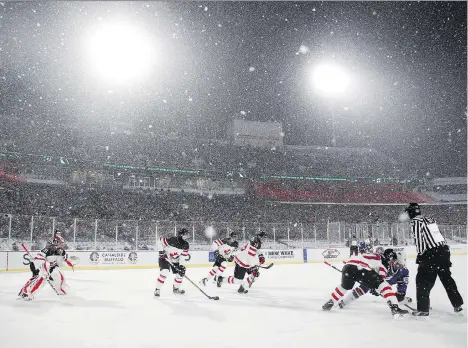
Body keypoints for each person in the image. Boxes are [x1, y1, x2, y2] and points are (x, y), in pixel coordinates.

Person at [406, 203, 464, 317]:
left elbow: (419, 240)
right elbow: (438, 236)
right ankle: (457, 304)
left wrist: (421, 254)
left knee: (423, 280)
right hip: (444, 251)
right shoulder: (430, 219)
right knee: (447, 279)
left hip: (431, 253)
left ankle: (423, 309)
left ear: (410, 213)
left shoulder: (416, 222)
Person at [322, 241, 408, 318]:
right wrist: (378, 289)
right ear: (390, 258)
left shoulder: (376, 256)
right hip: (361, 269)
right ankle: (394, 307)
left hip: (348, 267)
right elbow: (381, 280)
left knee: (345, 287)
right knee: (384, 285)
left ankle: (331, 302)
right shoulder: (384, 261)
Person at [338, 248, 412, 309]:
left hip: (386, 284)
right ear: (392, 260)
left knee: (394, 295)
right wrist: (375, 287)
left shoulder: (404, 271)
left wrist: (401, 294)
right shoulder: (383, 265)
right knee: (364, 288)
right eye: (396, 263)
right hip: (378, 281)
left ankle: (396, 301)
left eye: (401, 264)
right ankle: (344, 301)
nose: (398, 266)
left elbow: (403, 283)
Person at [19, 232, 70, 300]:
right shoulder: (47, 249)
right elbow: (40, 259)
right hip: (37, 265)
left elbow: (61, 262)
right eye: (60, 243)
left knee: (57, 276)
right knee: (40, 278)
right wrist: (45, 270)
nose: (61, 245)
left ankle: (61, 290)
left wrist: (68, 262)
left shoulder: (61, 251)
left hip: (49, 268)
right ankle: (27, 292)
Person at [154, 228, 190, 297]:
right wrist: (161, 252)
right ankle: (157, 289)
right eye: (185, 235)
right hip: (165, 258)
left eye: (187, 235)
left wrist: (181, 266)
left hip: (175, 260)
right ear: (180, 235)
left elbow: (182, 257)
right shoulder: (172, 240)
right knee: (164, 272)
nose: (187, 237)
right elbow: (159, 241)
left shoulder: (186, 245)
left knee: (181, 273)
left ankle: (176, 288)